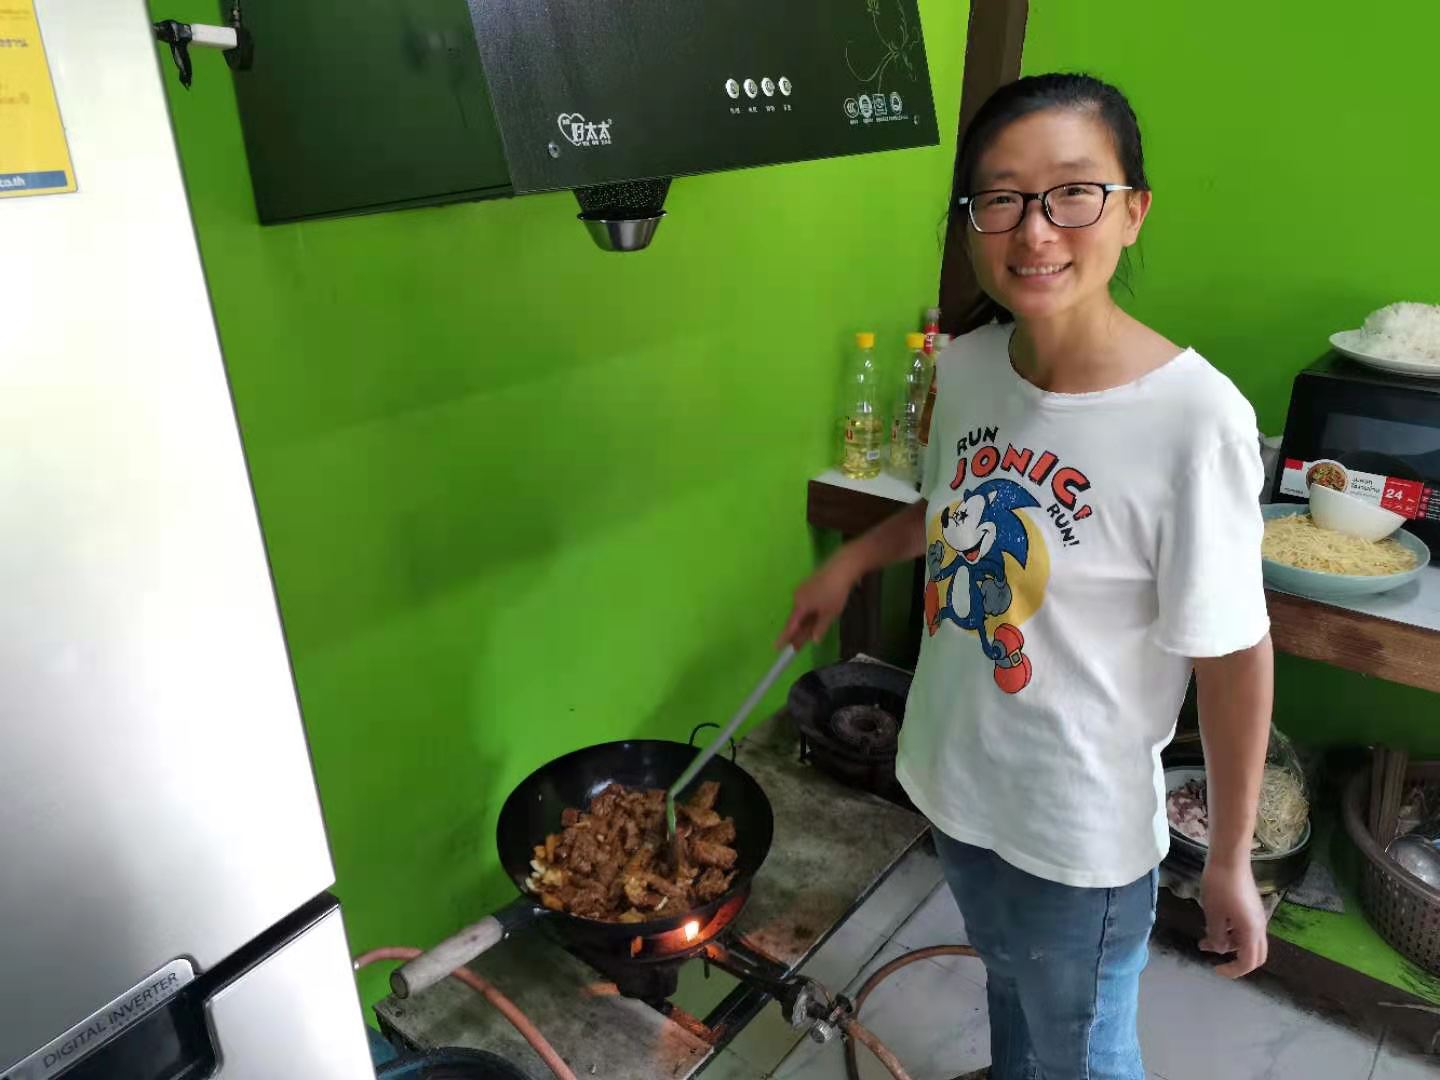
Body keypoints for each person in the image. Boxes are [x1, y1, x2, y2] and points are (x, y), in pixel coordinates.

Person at [779, 73, 1273, 1080]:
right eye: (1000, 198)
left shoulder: (1195, 421)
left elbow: (1233, 656)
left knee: (1081, 1052)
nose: (1034, 229)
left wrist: (1229, 858)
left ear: (1132, 211)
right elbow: (949, 506)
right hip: (956, 779)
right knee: (1007, 986)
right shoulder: (968, 366)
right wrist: (855, 562)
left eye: (1073, 192)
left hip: (1075, 832)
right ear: (971, 222)